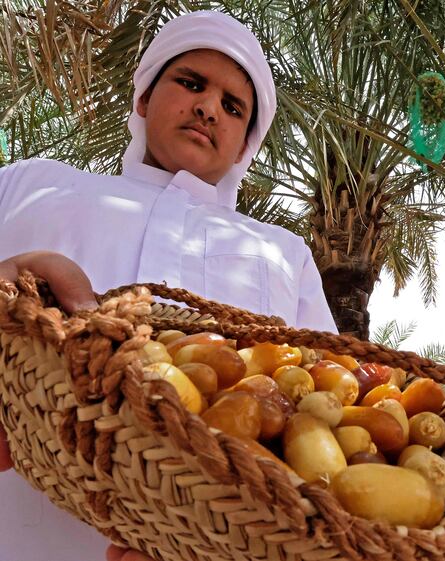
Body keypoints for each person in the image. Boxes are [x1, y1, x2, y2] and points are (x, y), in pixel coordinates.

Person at [0, 11, 336, 561]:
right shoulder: (32, 183)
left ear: (244, 147)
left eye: (234, 107)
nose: (208, 107)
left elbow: (322, 394)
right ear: (142, 99)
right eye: (191, 83)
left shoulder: (284, 251)